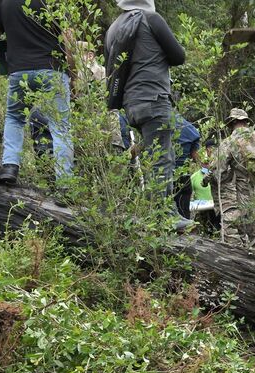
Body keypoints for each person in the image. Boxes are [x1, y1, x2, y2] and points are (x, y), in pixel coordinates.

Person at [105, 0, 191, 231]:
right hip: (153, 98)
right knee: (163, 158)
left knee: (154, 158)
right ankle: (162, 218)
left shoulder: (113, 28)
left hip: (130, 105)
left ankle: (156, 215)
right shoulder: (150, 19)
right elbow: (179, 56)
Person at [0, 0, 74, 184]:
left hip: (19, 70)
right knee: (60, 127)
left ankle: (10, 166)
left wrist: (6, 62)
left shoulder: (5, 3)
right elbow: (68, 39)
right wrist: (71, 70)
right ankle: (65, 184)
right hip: (53, 70)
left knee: (14, 117)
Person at [208, 108, 255, 247]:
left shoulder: (229, 142)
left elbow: (217, 171)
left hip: (247, 194)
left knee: (254, 232)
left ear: (231, 124)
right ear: (246, 122)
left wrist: (210, 179)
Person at [173, 115, 200, 219]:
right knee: (183, 213)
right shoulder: (190, 128)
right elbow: (195, 156)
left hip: (163, 175)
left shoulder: (160, 125)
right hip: (183, 175)